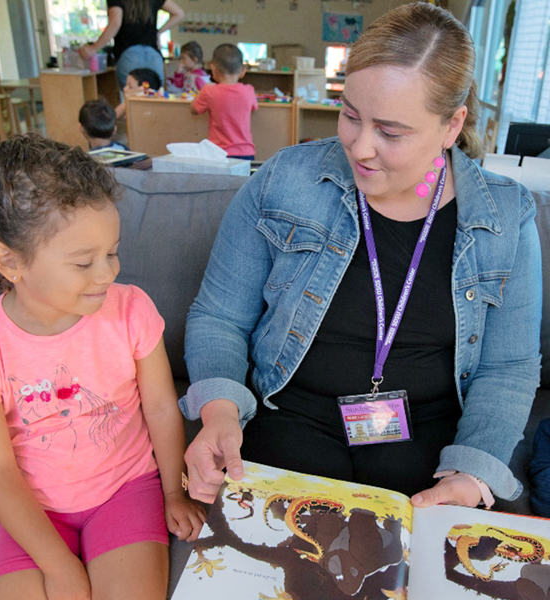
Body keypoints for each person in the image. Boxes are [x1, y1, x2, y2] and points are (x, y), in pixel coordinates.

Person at [180, 3, 542, 511]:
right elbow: (219, 316)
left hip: (430, 445)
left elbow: (508, 367)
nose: (360, 147)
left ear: (451, 125)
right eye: (350, 114)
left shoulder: (505, 216)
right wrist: (218, 413)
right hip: (291, 418)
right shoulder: (286, 179)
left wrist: (473, 471)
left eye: (391, 132)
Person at [0, 133, 205, 599]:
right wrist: (59, 566)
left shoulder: (131, 309)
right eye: (84, 262)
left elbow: (163, 410)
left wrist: (174, 491)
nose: (108, 273)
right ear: (9, 262)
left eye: (111, 252)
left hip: (125, 491)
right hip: (29, 513)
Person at [79, 0, 185, 89]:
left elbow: (115, 23)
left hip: (129, 56)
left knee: (131, 105)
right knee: (155, 103)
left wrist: (94, 48)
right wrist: (158, 32)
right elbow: (179, 13)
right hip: (153, 56)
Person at [190, 44, 258, 160]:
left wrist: (202, 91)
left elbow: (194, 109)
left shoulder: (209, 91)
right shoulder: (249, 91)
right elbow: (254, 107)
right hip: (245, 152)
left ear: (213, 69)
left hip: (217, 153)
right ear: (242, 71)